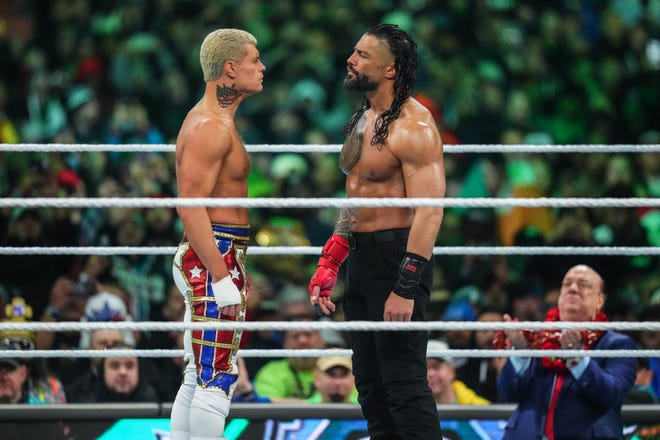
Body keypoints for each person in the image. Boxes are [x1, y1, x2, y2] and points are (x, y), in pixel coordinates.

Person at [308, 24, 445, 440]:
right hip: (362, 259)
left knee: (403, 382)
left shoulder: (415, 126)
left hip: (397, 257)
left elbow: (429, 212)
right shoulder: (362, 119)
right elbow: (356, 197)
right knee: (369, 384)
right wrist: (332, 258)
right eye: (354, 51)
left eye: (363, 55)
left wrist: (405, 286)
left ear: (391, 69)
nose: (351, 59)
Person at [170, 28, 265, 440]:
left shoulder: (218, 121)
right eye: (254, 60)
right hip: (215, 255)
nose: (261, 67)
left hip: (220, 253)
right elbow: (189, 206)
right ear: (230, 68)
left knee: (199, 374)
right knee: (217, 377)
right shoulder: (211, 126)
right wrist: (223, 278)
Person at [495, 264, 637, 440]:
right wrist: (521, 355)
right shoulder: (536, 338)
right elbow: (509, 393)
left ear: (600, 300)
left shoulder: (618, 345)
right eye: (567, 283)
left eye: (583, 284)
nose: (573, 289)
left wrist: (577, 359)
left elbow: (610, 394)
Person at [253, 320, 326, 402]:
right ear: (285, 343)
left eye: (308, 334)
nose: (302, 340)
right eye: (295, 336)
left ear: (321, 339)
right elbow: (267, 405)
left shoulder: (336, 368)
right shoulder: (272, 370)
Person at [426, 339, 489, 405]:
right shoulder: (414, 411)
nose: (430, 374)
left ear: (451, 371)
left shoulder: (481, 409)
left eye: (436, 367)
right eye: (424, 369)